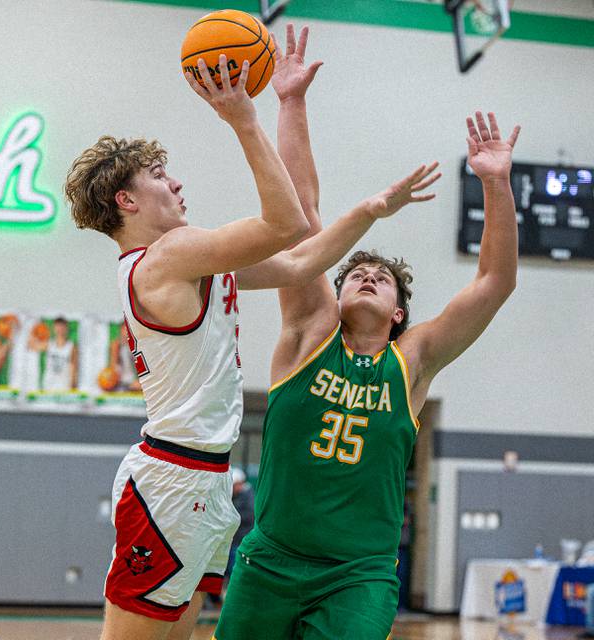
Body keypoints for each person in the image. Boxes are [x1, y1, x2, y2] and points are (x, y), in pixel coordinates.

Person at [64, 48, 437, 640]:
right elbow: (287, 222)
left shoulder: (193, 264)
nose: (177, 181)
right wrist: (242, 119)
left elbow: (302, 257)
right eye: (159, 176)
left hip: (208, 481)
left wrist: (297, 113)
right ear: (126, 202)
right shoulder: (165, 257)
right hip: (172, 477)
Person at [214, 25, 520, 640]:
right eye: (356, 272)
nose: (367, 276)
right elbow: (300, 215)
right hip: (269, 560)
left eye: (382, 279)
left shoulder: (413, 362)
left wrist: (495, 184)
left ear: (399, 314)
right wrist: (291, 102)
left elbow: (493, 282)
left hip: (359, 574)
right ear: (335, 291)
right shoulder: (308, 332)